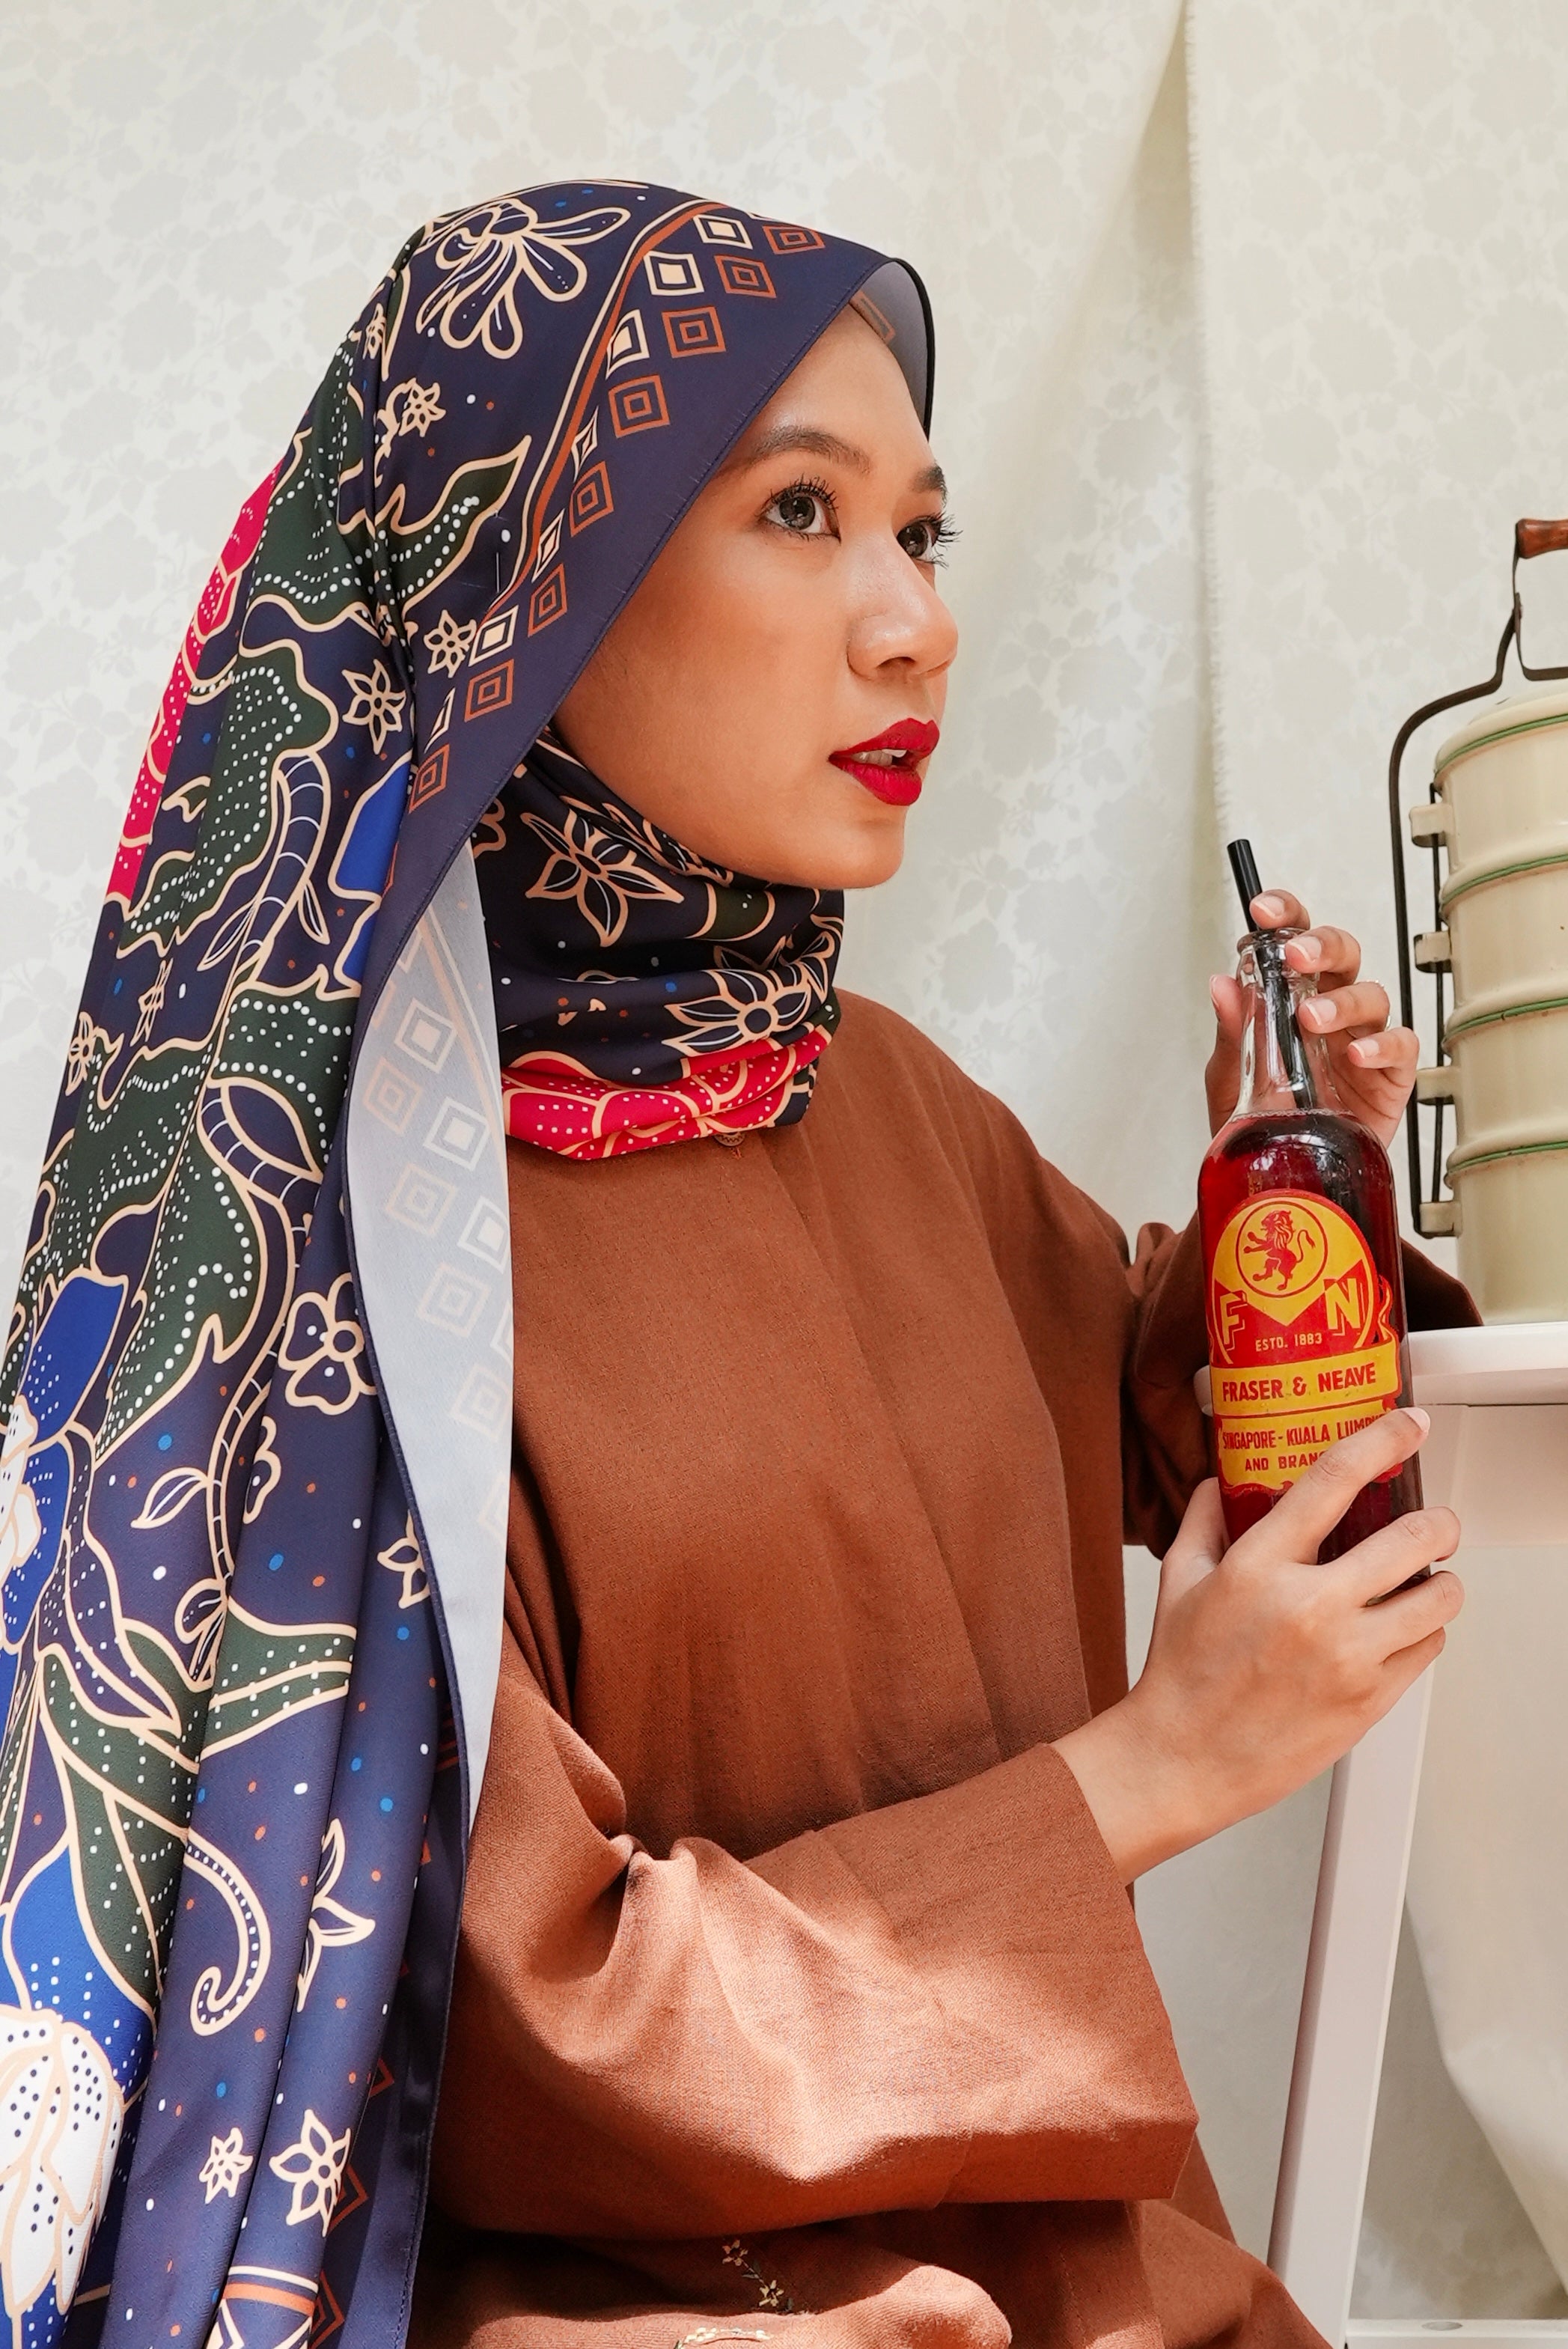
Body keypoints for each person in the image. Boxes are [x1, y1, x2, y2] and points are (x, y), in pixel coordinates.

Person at [0, 183, 1468, 2349]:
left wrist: (1298, 1192)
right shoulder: (332, 1245)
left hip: (1120, 2293)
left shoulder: (891, 1103)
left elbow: (1173, 1437)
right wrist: (1156, 1771)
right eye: (800, 511)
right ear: (530, 590)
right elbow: (521, 2022)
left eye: (924, 531)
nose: (915, 620)